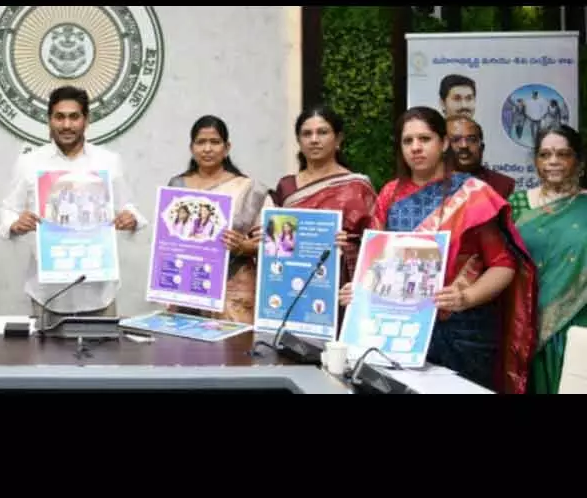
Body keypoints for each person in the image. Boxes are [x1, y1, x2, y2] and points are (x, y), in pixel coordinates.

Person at [339, 106, 537, 394]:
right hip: (401, 331)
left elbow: (503, 264)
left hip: (464, 330)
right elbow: (378, 262)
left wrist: (466, 297)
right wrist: (358, 290)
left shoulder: (473, 194)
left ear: (444, 143)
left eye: (425, 139)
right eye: (408, 141)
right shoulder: (389, 194)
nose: (416, 148)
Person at [0, 86, 146, 325]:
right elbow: (8, 208)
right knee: (46, 361)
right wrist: (15, 224)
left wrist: (132, 218)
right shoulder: (28, 163)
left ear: (87, 120)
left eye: (74, 117)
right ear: (49, 120)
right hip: (47, 293)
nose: (66, 125)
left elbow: (130, 207)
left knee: (104, 358)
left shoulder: (109, 161)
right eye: (59, 117)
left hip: (99, 293)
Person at [165, 115, 272, 324]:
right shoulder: (177, 186)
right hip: (186, 286)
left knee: (232, 354)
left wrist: (243, 246)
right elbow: (168, 238)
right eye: (201, 142)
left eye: (214, 142)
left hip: (234, 291)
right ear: (191, 147)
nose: (207, 149)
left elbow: (276, 244)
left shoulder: (249, 189)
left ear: (227, 147)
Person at [508, 125, 587, 394]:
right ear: (535, 161)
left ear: (578, 161)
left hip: (578, 320)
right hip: (525, 322)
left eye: (563, 154)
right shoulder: (516, 204)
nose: (553, 161)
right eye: (545, 154)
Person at [271, 105, 377, 288]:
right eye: (306, 134)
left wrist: (350, 243)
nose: (314, 140)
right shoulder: (286, 186)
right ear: (298, 141)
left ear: (338, 139)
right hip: (293, 279)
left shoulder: (357, 186)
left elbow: (375, 243)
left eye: (322, 132)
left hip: (342, 284)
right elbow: (278, 245)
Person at [445, 114, 515, 199]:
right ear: (442, 146)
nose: (464, 145)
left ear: (482, 147)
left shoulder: (503, 185)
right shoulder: (429, 182)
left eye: (471, 139)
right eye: (455, 140)